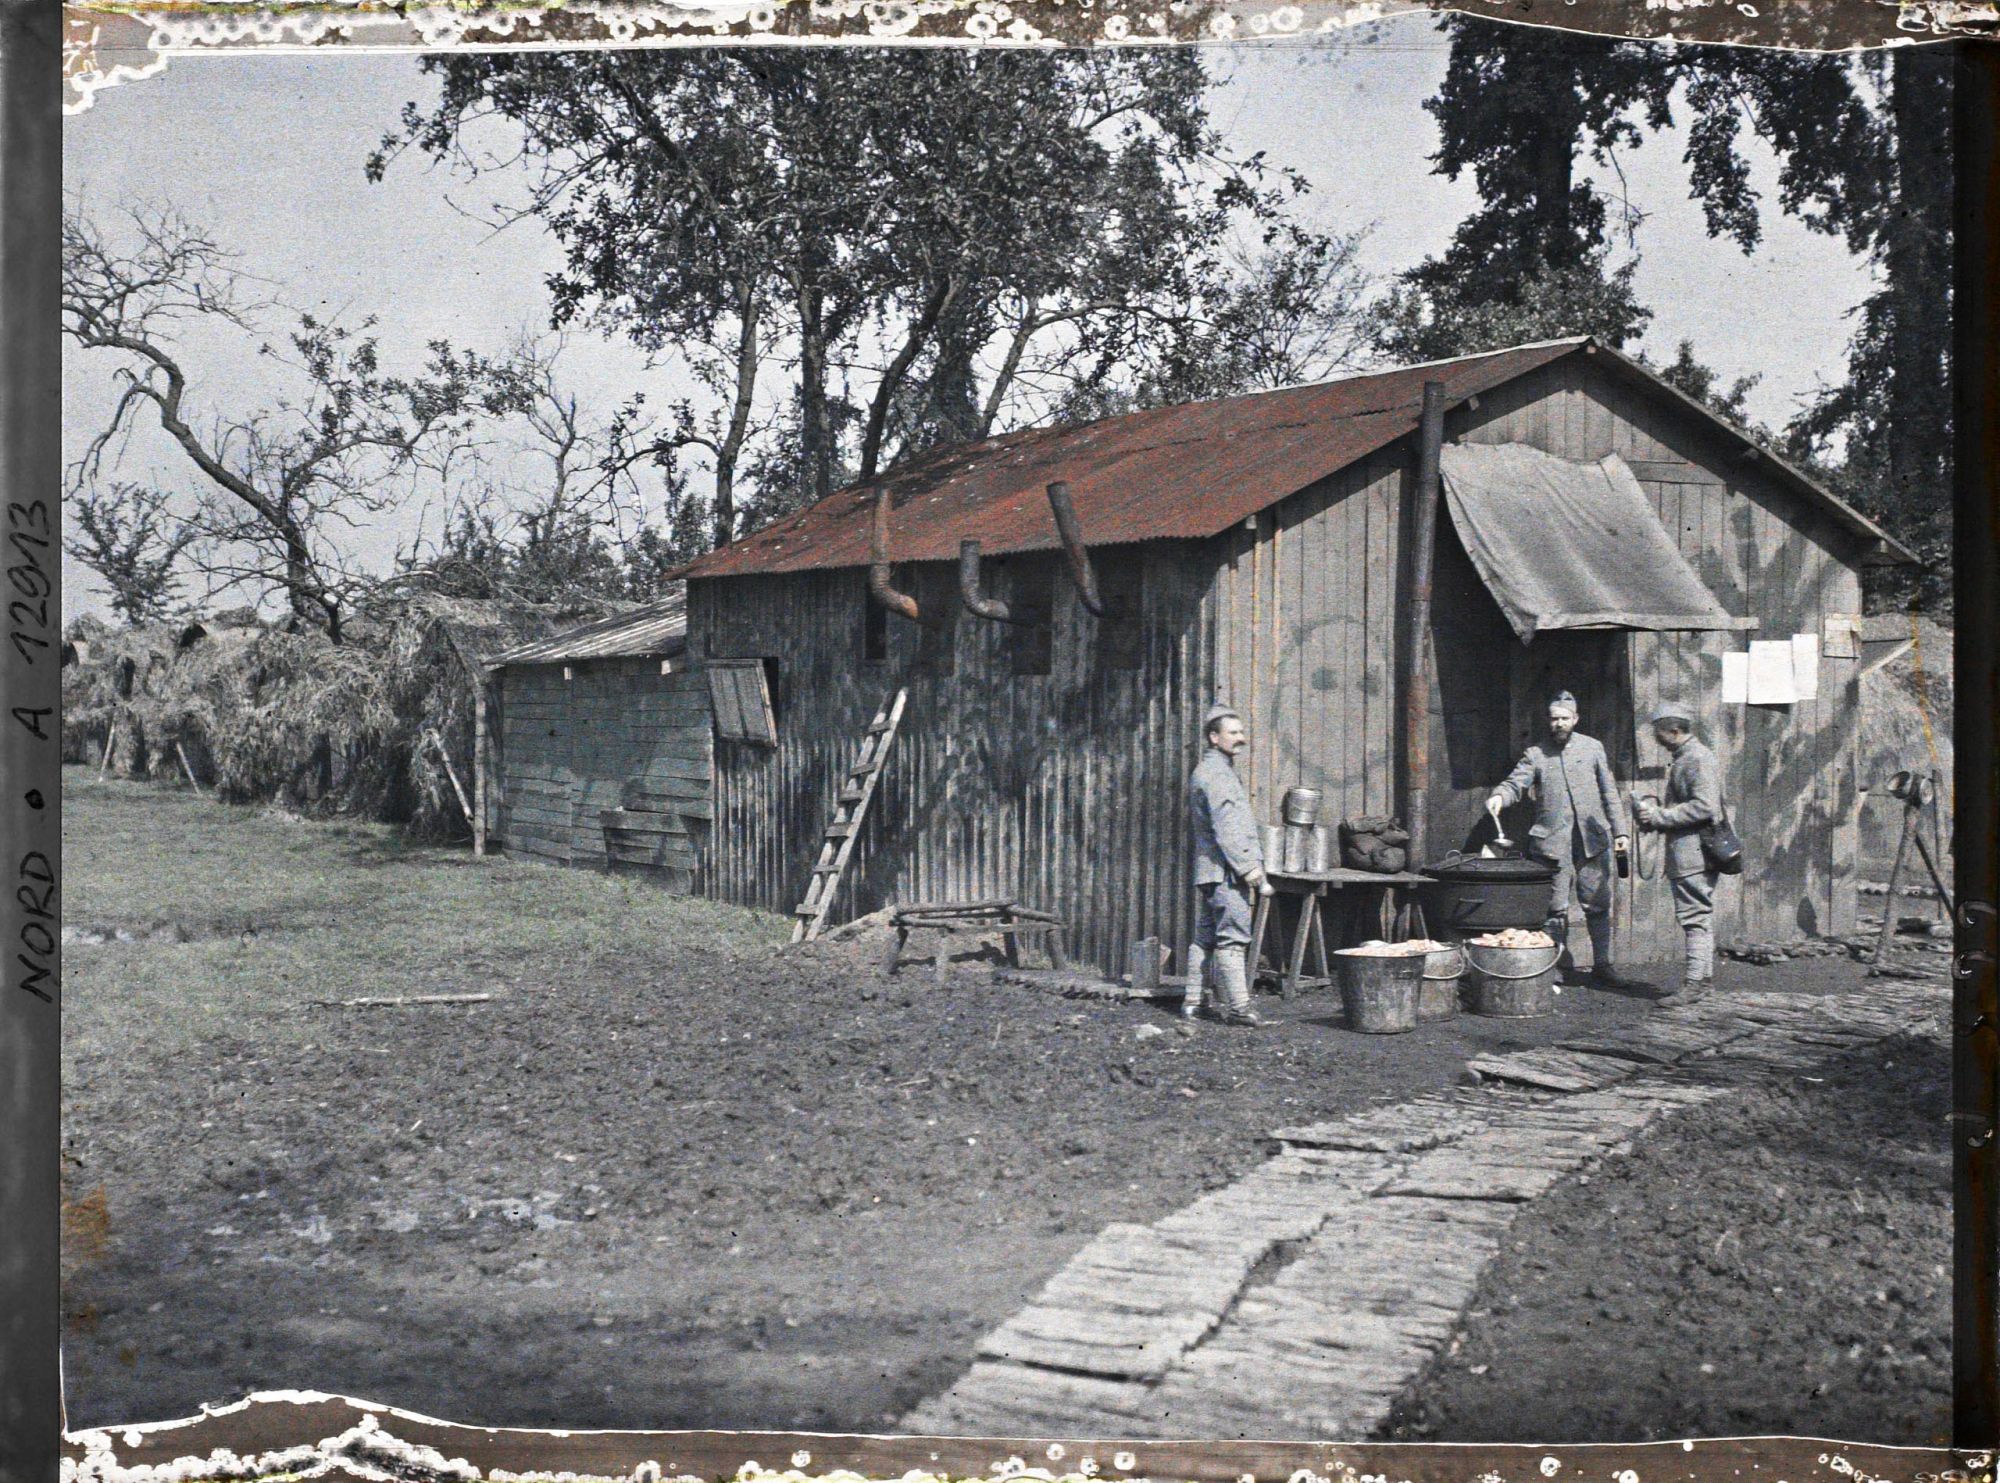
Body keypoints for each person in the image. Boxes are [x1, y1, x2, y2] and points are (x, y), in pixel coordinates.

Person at [1486, 691, 1632, 986]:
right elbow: (1516, 783)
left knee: (1597, 903)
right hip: (1553, 843)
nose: (1559, 724)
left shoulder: (1593, 748)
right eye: (1554, 719)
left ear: (1575, 719)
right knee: (1554, 907)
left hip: (1592, 840)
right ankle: (1553, 966)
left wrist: (1620, 832)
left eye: (1565, 718)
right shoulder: (1536, 754)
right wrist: (1500, 796)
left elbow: (1609, 792)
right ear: (1548, 721)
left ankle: (1603, 965)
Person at [1186, 701, 1272, 1028]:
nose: (1241, 738)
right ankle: (1239, 1008)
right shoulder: (1217, 775)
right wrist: (1250, 869)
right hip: (1225, 873)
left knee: (1205, 937)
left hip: (1211, 872)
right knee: (1233, 938)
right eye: (1233, 733)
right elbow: (1228, 829)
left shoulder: (1211, 771)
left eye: (1241, 732)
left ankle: (1193, 1003)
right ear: (1214, 737)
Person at [1635, 704, 1724, 1005]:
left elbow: (1705, 806)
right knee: (1699, 916)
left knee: (1694, 917)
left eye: (1658, 733)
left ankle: (1695, 984)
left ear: (1674, 731)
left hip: (1694, 853)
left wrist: (1659, 816)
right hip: (1692, 850)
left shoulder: (1696, 758)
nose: (1656, 739)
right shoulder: (1689, 757)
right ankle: (1703, 983)